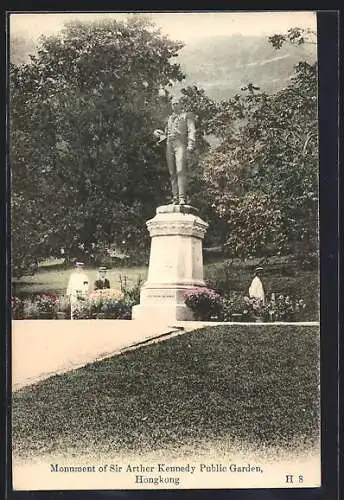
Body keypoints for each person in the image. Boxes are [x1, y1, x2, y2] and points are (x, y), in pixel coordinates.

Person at [154, 97, 196, 205]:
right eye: (173, 104)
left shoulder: (186, 116)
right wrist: (159, 134)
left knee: (180, 170)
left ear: (181, 105)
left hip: (180, 143)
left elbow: (191, 130)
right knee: (172, 172)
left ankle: (182, 197)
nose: (174, 105)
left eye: (177, 103)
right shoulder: (170, 118)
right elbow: (167, 132)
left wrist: (191, 144)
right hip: (169, 144)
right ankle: (175, 197)